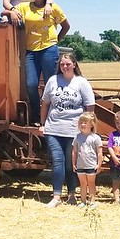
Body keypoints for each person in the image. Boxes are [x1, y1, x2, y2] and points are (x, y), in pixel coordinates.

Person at [4, 0, 70, 125]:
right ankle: (37, 114)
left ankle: (52, 115)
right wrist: (11, 13)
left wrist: (56, 41)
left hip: (49, 50)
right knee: (31, 84)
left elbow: (66, 26)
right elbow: (3, 12)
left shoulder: (53, 8)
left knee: (50, 84)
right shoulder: (25, 7)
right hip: (31, 52)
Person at [40, 52, 95, 208]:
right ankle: (56, 196)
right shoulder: (53, 80)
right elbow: (45, 104)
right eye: (62, 64)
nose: (65, 66)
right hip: (53, 129)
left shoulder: (81, 82)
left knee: (71, 164)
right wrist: (42, 124)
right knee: (58, 160)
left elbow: (90, 106)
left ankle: (72, 194)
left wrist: (89, 127)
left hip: (74, 130)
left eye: (68, 64)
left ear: (74, 65)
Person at [72, 112, 103, 208]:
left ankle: (92, 201)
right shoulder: (77, 137)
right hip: (80, 165)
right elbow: (74, 151)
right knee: (82, 184)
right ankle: (83, 201)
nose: (82, 125)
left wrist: (99, 164)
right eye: (81, 122)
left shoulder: (96, 138)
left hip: (91, 165)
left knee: (91, 183)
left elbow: (99, 153)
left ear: (92, 124)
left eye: (85, 123)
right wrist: (73, 163)